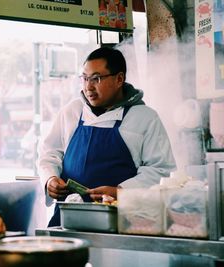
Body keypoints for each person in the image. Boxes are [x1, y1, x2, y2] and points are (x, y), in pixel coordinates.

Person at [37, 47, 176, 226]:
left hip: (123, 223)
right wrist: (50, 179)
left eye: (96, 78)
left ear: (119, 79)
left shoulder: (145, 118)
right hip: (69, 221)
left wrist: (121, 192)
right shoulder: (72, 111)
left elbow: (161, 171)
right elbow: (48, 153)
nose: (88, 86)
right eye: (85, 78)